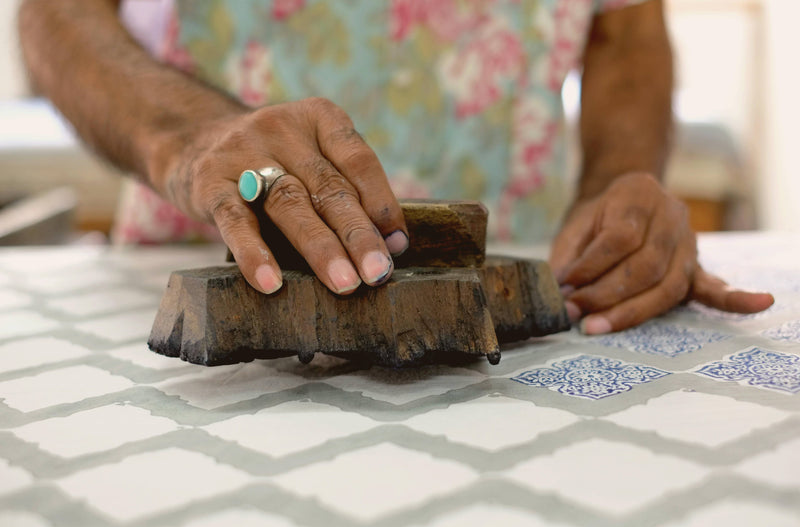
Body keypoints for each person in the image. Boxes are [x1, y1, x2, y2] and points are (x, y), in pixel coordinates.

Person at [18, 0, 773, 335]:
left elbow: (629, 26)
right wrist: (190, 138)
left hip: (523, 294)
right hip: (207, 265)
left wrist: (621, 186)